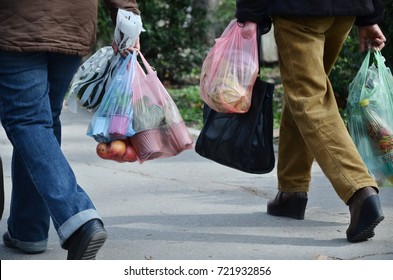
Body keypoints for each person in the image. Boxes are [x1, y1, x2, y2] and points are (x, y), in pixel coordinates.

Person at [236, 0, 386, 242]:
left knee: (308, 99)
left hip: (299, 12)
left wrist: (249, 14)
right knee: (303, 92)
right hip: (344, 12)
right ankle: (291, 191)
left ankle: (359, 190)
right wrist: (370, 15)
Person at [0, 0, 140, 259]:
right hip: (73, 20)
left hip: (17, 20)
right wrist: (128, 15)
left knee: (28, 121)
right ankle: (28, 230)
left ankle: (78, 219)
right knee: (43, 122)